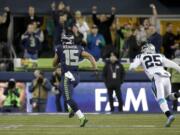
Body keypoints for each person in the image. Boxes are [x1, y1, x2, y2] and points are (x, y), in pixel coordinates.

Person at [129, 43, 180, 127]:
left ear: (146, 49)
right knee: (169, 97)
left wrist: (131, 67)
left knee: (160, 99)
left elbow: (133, 66)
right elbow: (173, 65)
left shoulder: (140, 56)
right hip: (166, 76)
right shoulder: (160, 56)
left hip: (157, 77)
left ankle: (169, 115)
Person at [53, 33, 97, 127]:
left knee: (67, 97)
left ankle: (81, 117)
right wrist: (95, 68)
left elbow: (53, 63)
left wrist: (59, 60)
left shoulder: (60, 48)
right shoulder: (78, 48)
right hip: (76, 76)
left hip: (67, 75)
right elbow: (90, 57)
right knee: (64, 90)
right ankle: (70, 108)